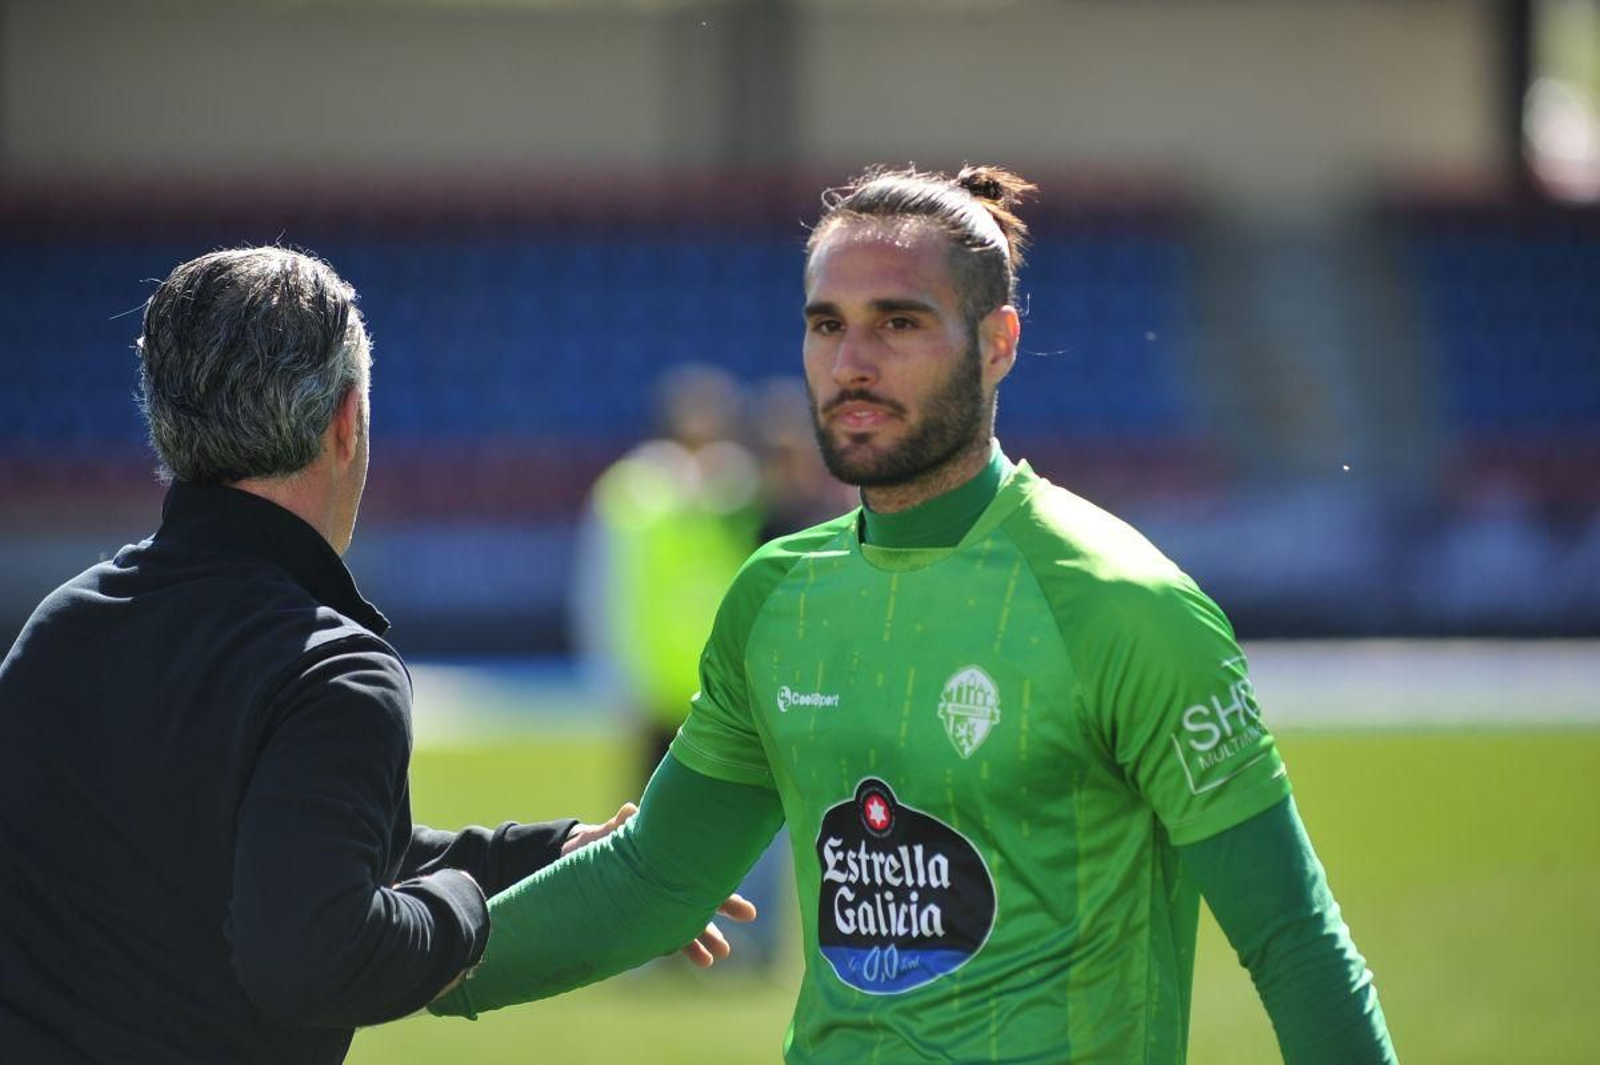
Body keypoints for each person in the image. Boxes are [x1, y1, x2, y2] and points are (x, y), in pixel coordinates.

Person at [430, 167, 1398, 1063]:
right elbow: (653, 882)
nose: (850, 361)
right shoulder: (775, 596)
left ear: (997, 344)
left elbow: (1292, 942)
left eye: (898, 323)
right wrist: (387, 963)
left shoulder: (1120, 604)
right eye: (825, 324)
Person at [0, 247, 746, 1065]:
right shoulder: (332, 669)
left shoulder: (63, 624)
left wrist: (548, 855)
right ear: (348, 420)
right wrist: (468, 904)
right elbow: (312, 951)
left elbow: (297, 850)